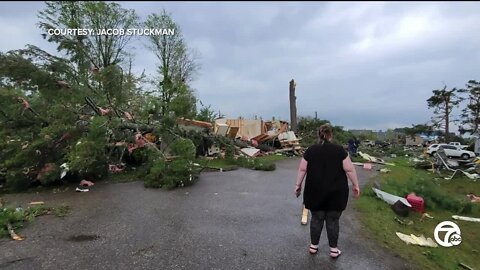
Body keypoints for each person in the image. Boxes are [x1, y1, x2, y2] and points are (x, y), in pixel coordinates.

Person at [294, 124, 360, 258]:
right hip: (336, 192)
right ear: (331, 135)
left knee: (316, 219)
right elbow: (349, 169)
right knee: (333, 220)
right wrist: (355, 185)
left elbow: (302, 169)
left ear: (319, 134)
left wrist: (298, 185)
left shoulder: (311, 150)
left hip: (314, 191)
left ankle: (313, 246)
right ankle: (334, 250)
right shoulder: (340, 150)